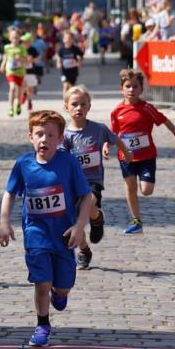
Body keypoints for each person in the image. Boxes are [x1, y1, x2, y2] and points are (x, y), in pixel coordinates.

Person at [0, 109, 92, 347]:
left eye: (50, 135)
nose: (44, 140)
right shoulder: (23, 164)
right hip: (36, 234)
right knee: (42, 282)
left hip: (63, 235)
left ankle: (59, 293)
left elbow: (87, 197)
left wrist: (79, 227)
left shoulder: (68, 163)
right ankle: (42, 325)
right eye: (39, 134)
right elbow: (10, 193)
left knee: (63, 289)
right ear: (30, 137)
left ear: (60, 140)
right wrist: (4, 223)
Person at [62, 84, 133, 270]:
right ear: (66, 107)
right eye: (74, 104)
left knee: (91, 201)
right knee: (76, 221)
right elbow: (60, 160)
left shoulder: (98, 129)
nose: (79, 108)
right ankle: (84, 250)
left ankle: (96, 217)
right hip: (72, 184)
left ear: (89, 106)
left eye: (83, 104)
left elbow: (114, 138)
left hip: (92, 181)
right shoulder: (65, 136)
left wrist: (125, 152)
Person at [110, 68, 175, 234]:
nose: (131, 89)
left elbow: (165, 120)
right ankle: (136, 220)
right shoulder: (117, 111)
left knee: (147, 190)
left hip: (146, 156)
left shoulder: (147, 108)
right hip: (126, 156)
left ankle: (138, 215)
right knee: (131, 186)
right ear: (122, 89)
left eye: (135, 86)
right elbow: (113, 133)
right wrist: (106, 145)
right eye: (128, 86)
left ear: (141, 89)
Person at [0, 26, 26, 116]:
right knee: (12, 88)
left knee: (19, 90)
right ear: (10, 38)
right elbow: (6, 57)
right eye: (13, 37)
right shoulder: (7, 47)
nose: (15, 39)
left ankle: (18, 104)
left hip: (20, 72)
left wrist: (20, 58)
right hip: (10, 71)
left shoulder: (22, 48)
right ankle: (11, 107)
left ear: (19, 38)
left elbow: (26, 60)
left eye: (17, 37)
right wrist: (3, 65)